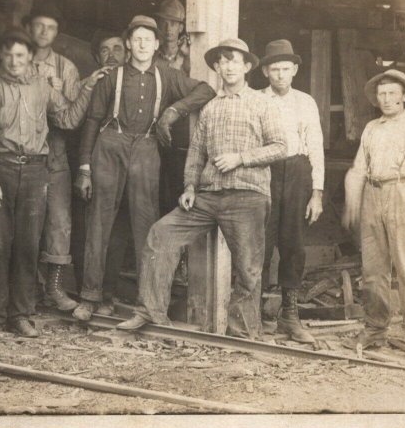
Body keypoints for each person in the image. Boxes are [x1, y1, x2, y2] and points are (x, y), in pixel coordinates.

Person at [116, 38, 286, 340]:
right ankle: (149, 312)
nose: (228, 66)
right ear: (217, 68)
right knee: (161, 233)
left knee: (248, 269)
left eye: (234, 60)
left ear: (247, 66)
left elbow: (281, 147)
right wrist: (190, 187)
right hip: (207, 197)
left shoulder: (263, 104)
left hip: (247, 197)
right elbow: (196, 153)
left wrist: (241, 158)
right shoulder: (210, 109)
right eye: (222, 61)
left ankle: (243, 337)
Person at [72, 16, 215, 321]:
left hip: (147, 148)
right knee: (98, 223)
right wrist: (84, 166)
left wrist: (172, 112)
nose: (141, 45)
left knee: (145, 225)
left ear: (156, 44)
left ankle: (146, 303)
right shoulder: (112, 77)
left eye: (147, 40)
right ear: (128, 44)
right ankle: (89, 297)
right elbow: (93, 121)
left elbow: (205, 90)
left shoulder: (166, 74)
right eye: (136, 40)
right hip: (110, 144)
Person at [0, 28, 106, 339]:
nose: (14, 61)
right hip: (0, 170)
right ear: (1, 57)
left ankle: (21, 315)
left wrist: (86, 89)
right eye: (8, 55)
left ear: (30, 56)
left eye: (20, 55)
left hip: (34, 171)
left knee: (28, 246)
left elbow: (69, 119)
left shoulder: (43, 89)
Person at [342, 70, 405, 363]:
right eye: (382, 94)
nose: (387, 99)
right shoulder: (371, 128)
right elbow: (358, 167)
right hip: (373, 193)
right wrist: (352, 200)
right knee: (373, 270)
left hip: (404, 192)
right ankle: (376, 329)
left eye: (393, 93)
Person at [258, 39, 325, 343]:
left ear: (295, 69)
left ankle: (289, 315)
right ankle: (256, 315)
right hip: (264, 172)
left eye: (286, 68)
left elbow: (316, 148)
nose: (280, 74)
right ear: (265, 72)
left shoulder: (306, 102)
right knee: (260, 242)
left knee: (293, 244)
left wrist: (317, 193)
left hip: (298, 173)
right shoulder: (256, 99)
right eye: (275, 69)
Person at [22, 4, 82, 311]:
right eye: (39, 26)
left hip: (55, 153)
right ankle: (27, 288)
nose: (44, 32)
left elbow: (72, 117)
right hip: (25, 154)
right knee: (26, 222)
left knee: (59, 221)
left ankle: (55, 289)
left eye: (51, 27)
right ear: (29, 28)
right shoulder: (17, 59)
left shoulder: (67, 68)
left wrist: (57, 93)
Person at [70, 29, 130, 312]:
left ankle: (108, 294)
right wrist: (84, 168)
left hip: (124, 169)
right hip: (92, 166)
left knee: (117, 233)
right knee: (87, 231)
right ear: (96, 57)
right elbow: (74, 122)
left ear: (127, 52)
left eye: (117, 48)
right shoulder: (89, 84)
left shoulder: (135, 81)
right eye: (105, 50)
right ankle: (87, 293)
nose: (112, 55)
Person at [153, 0, 194, 214]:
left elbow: (185, 91)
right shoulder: (151, 55)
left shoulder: (190, 57)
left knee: (179, 188)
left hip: (181, 132)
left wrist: (182, 58)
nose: (169, 29)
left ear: (181, 27)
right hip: (154, 129)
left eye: (174, 23)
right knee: (156, 190)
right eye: (165, 22)